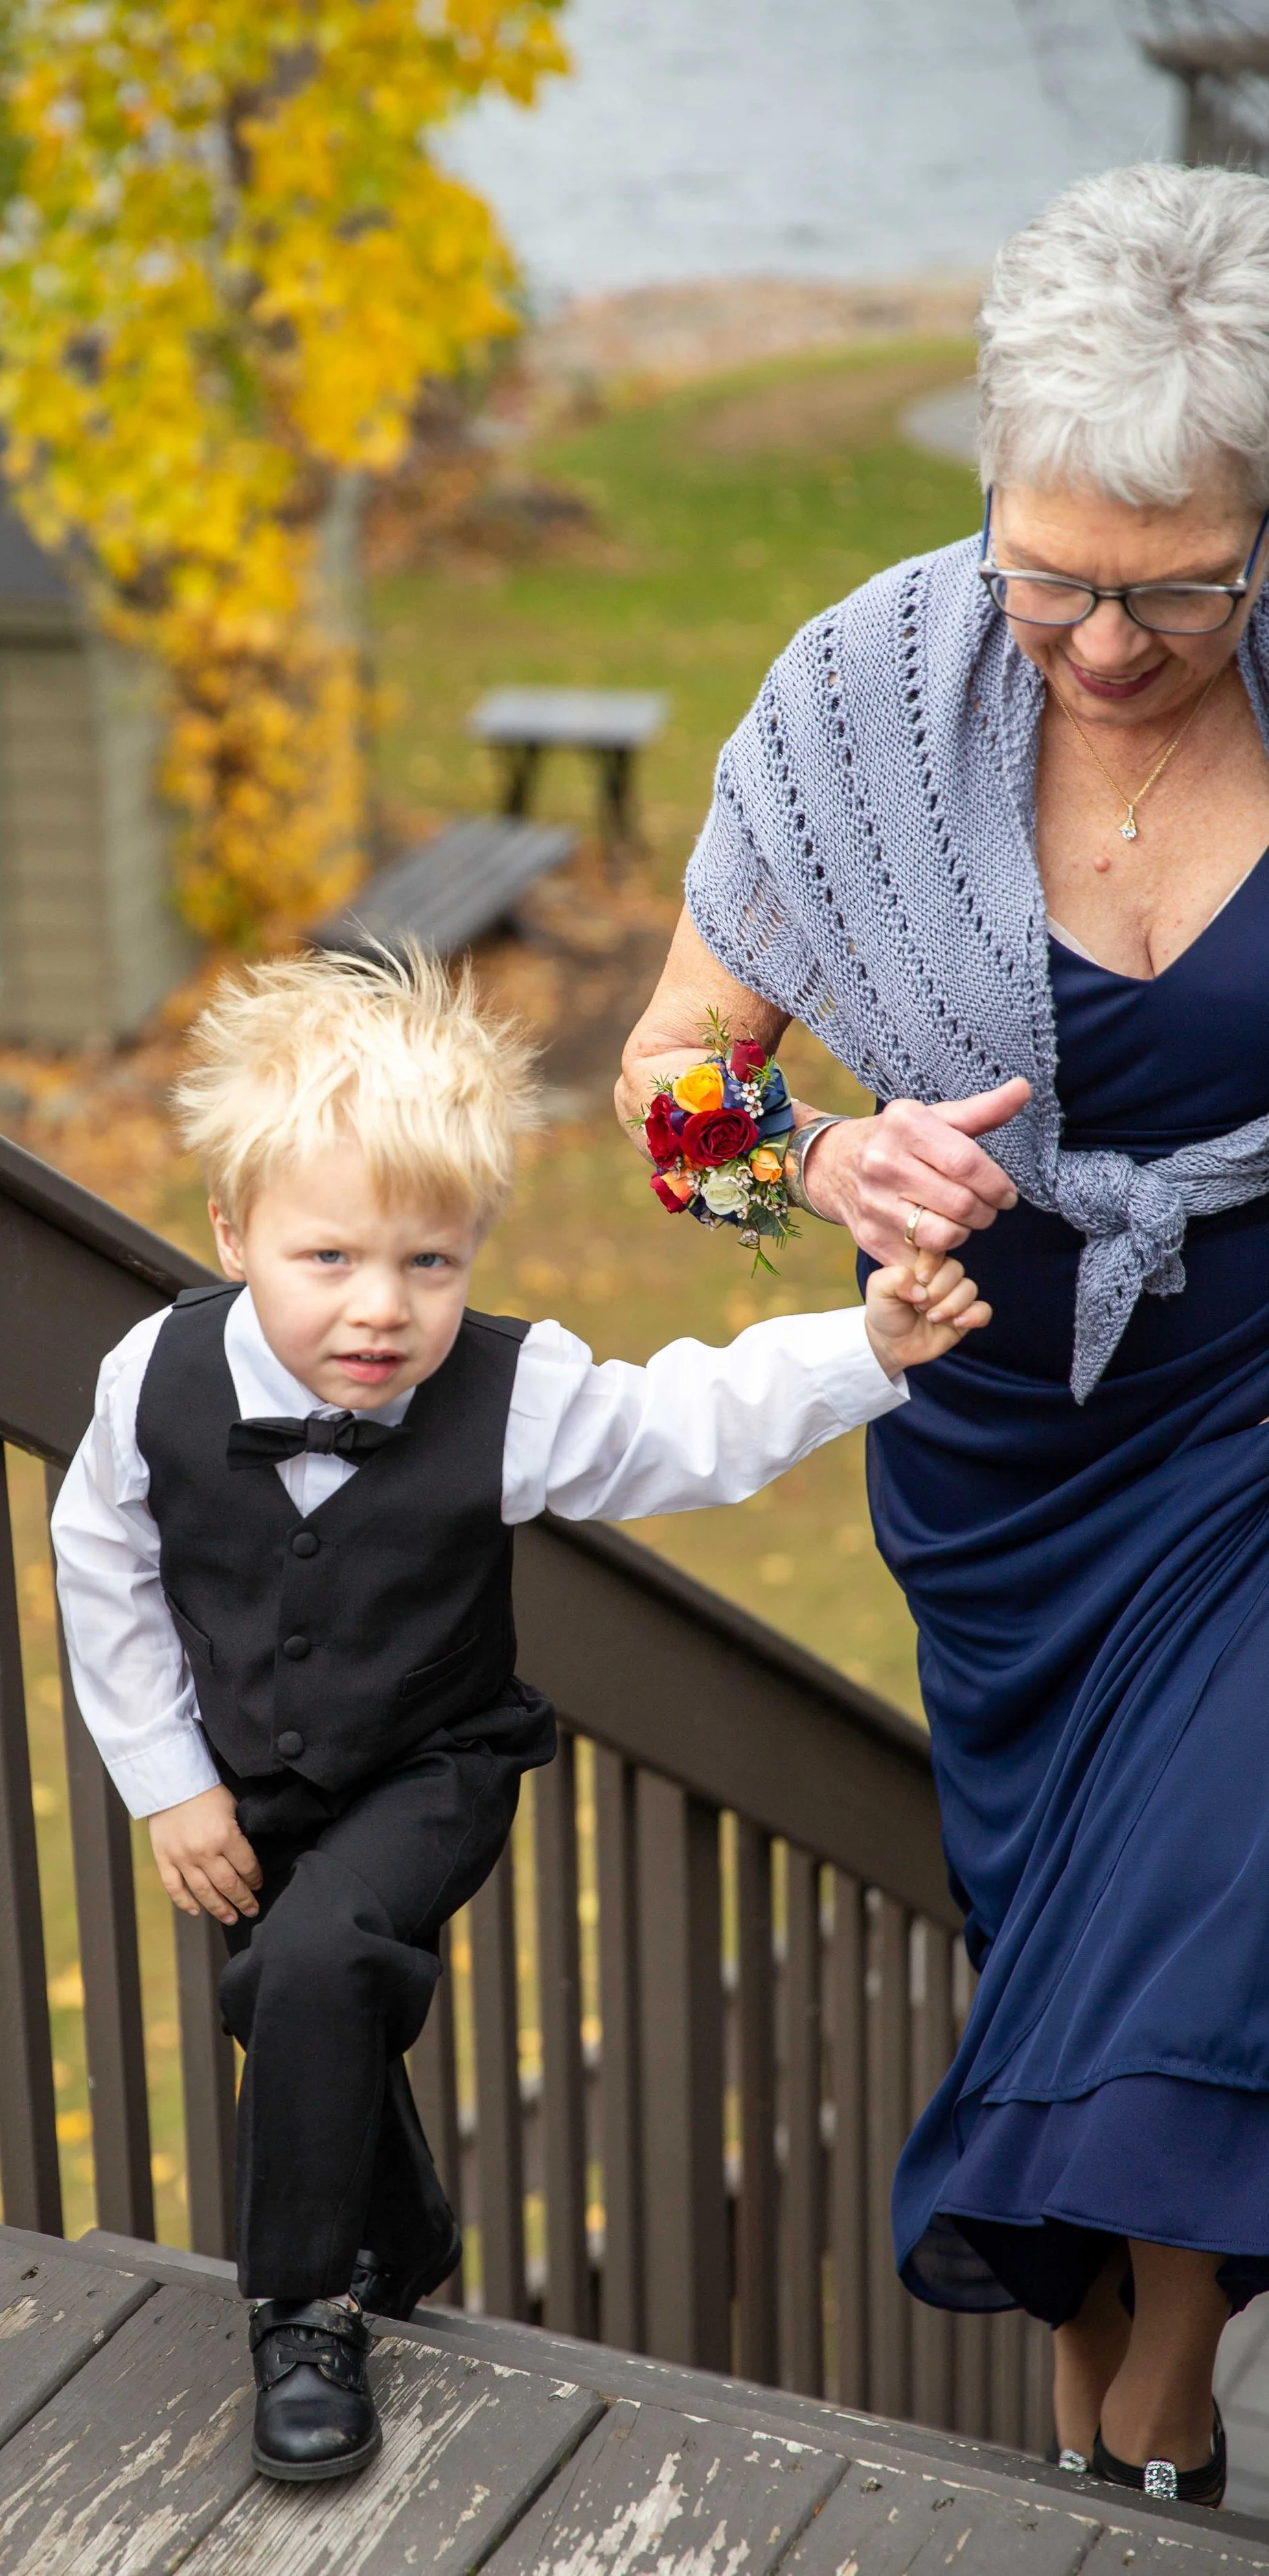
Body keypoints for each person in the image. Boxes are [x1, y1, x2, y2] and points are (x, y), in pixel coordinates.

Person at [617, 159, 1269, 2510]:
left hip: (1257, 1412)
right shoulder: (852, 698)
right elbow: (671, 1102)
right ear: (988, 485)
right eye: (1057, 575)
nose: (1102, 642)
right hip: (998, 1457)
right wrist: (813, 1161)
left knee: (1226, 1875)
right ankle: (1105, 2399)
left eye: (1178, 588)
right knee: (1070, 1945)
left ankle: (1173, 2386)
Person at [53, 945, 984, 2485]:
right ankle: (400, 2221)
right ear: (233, 1231)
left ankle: (302, 2314)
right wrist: (168, 1782)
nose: (383, 1311)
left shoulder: (510, 1396)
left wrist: (865, 1348)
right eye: (330, 1260)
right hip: (248, 1785)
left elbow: (679, 1425)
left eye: (432, 1265)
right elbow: (102, 1563)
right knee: (304, 1995)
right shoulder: (148, 1377)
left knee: (319, 1957)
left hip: (433, 1763)